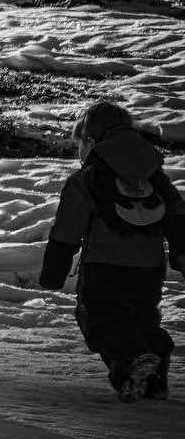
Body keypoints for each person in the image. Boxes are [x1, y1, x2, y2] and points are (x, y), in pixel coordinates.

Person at [39, 101, 185, 402]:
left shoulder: (87, 179)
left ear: (91, 142)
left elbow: (67, 229)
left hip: (104, 267)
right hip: (149, 270)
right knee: (143, 318)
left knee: (99, 319)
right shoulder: (154, 176)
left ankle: (134, 360)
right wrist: (181, 252)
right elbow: (177, 214)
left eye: (80, 144)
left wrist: (53, 272)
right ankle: (151, 378)